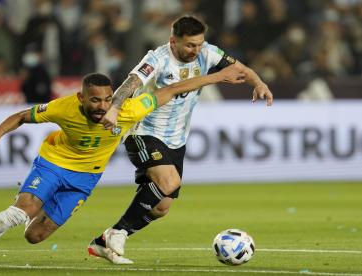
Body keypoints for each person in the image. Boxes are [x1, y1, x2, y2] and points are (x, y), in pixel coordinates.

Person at [0, 66, 248, 269]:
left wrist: (216, 77)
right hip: (53, 163)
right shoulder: (63, 107)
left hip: (85, 180)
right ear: (81, 97)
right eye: (95, 101)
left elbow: (169, 91)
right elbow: (21, 116)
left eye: (107, 100)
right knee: (20, 212)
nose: (102, 107)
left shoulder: (125, 110)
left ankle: (40, 205)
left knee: (34, 235)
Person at [90, 15, 273, 261]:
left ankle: (103, 242)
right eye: (189, 45)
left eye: (199, 44)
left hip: (177, 138)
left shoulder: (207, 52)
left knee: (161, 207)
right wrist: (114, 107)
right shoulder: (157, 59)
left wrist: (258, 83)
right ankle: (117, 232)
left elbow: (239, 69)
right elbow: (130, 84)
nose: (196, 50)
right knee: (169, 181)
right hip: (144, 131)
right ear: (173, 41)